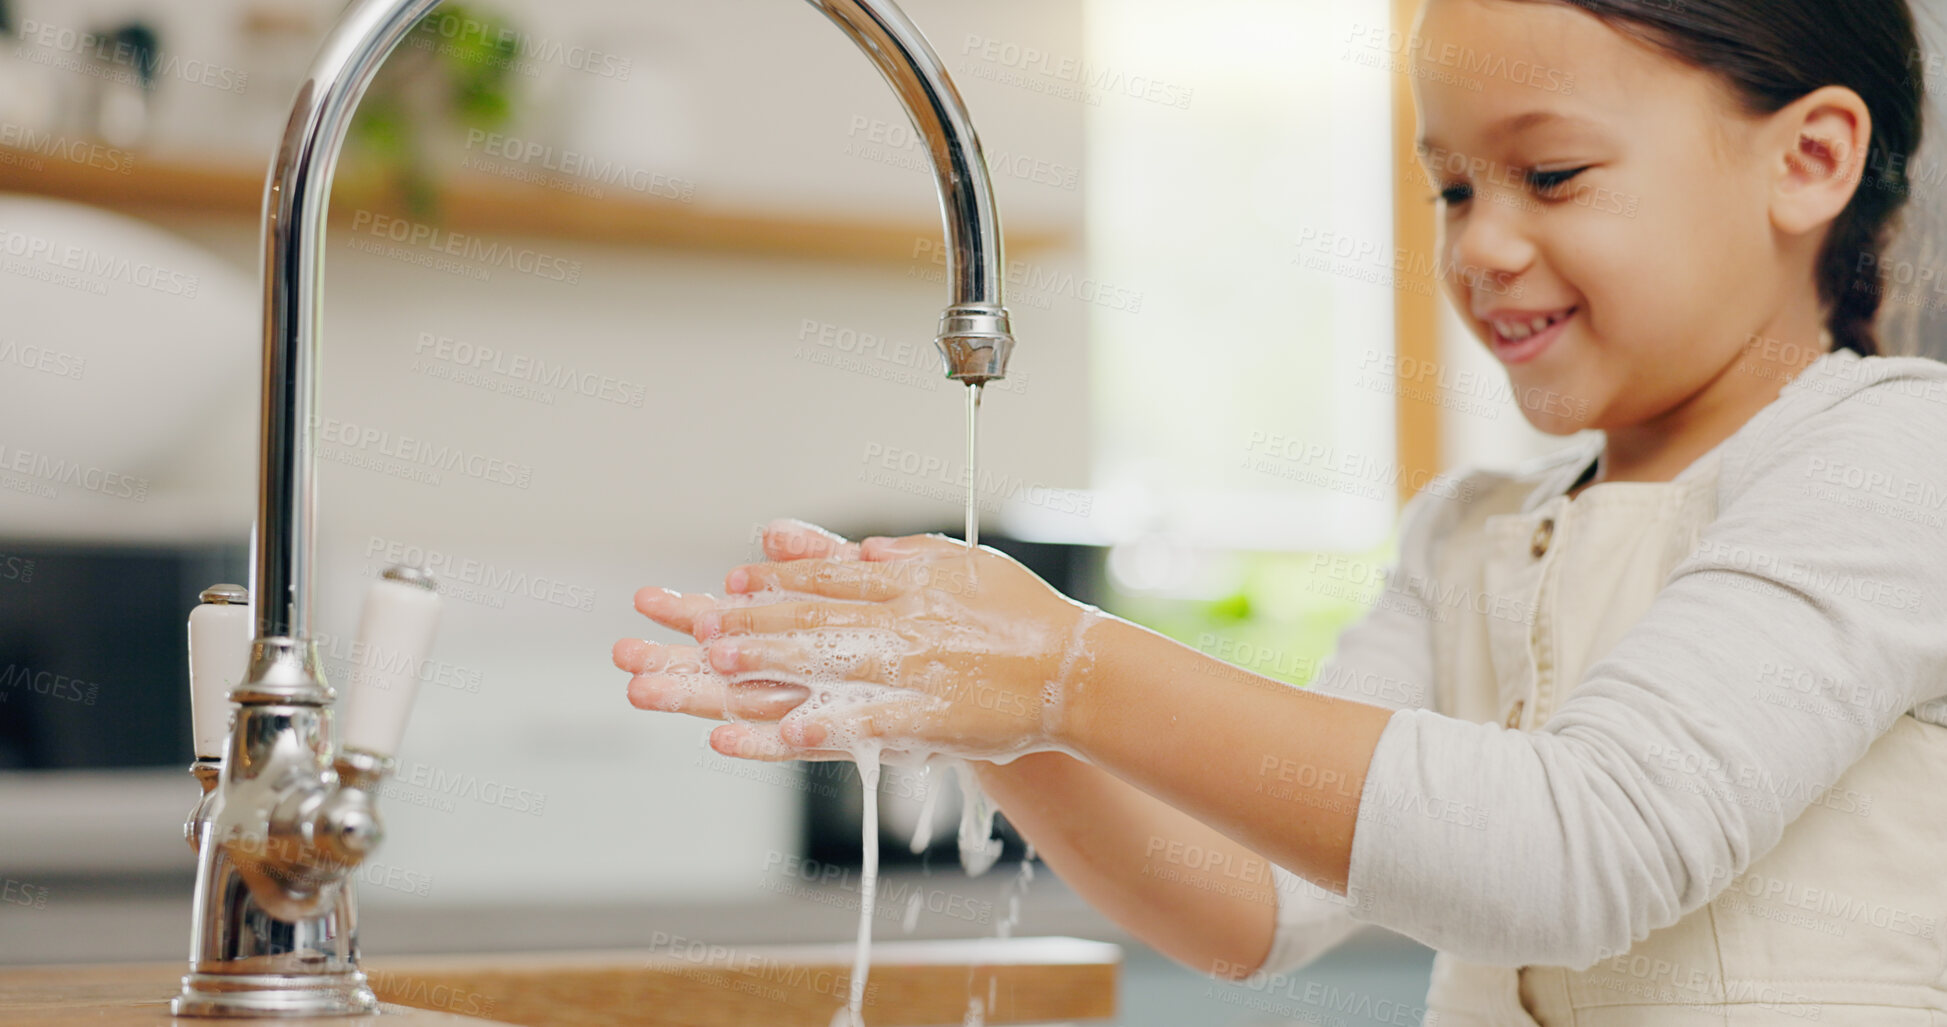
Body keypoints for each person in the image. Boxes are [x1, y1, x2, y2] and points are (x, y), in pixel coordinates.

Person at [614, 0, 1947, 1021]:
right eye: (1453, 189)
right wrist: (991, 709)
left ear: (1810, 159)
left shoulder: (1895, 456)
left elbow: (1581, 844)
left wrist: (1066, 662)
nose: (1480, 246)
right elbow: (1247, 905)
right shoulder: (1468, 529)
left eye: (1550, 178)